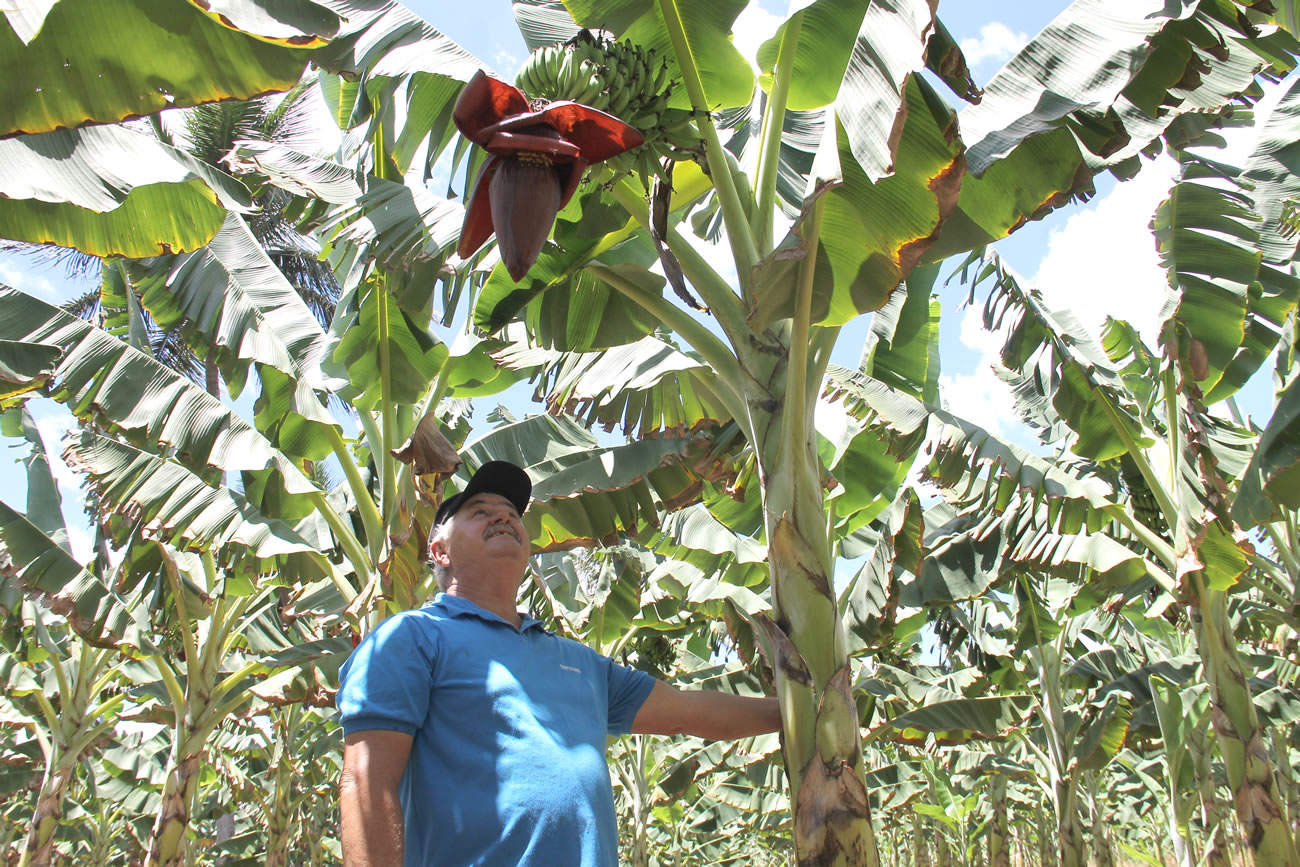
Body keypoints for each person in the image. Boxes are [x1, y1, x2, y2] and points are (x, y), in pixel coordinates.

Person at [337, 460, 782, 866]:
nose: (503, 516)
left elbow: (688, 712)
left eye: (512, 512)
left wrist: (796, 709)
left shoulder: (577, 661)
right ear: (440, 552)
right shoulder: (413, 638)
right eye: (479, 511)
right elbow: (366, 784)